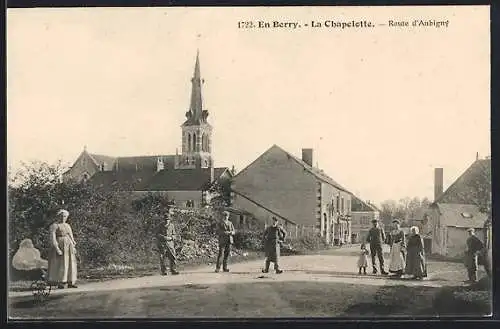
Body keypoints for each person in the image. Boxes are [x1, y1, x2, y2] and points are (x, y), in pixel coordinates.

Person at [47, 209, 78, 289]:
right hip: (60, 245)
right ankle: (61, 281)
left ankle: (71, 281)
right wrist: (57, 248)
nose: (63, 218)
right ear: (58, 216)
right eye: (61, 216)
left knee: (71, 262)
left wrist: (73, 245)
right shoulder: (54, 225)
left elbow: (71, 236)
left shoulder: (67, 225)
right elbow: (53, 238)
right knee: (61, 264)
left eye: (65, 216)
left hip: (68, 245)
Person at [156, 210, 179, 275]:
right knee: (162, 257)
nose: (166, 221)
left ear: (170, 220)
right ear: (163, 220)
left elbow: (174, 235)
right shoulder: (160, 225)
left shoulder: (172, 226)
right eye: (165, 219)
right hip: (162, 244)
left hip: (170, 244)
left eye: (168, 219)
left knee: (173, 256)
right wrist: (163, 237)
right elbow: (157, 234)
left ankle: (173, 270)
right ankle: (164, 271)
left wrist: (171, 238)